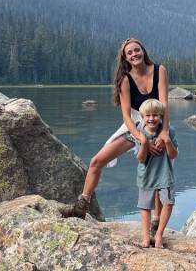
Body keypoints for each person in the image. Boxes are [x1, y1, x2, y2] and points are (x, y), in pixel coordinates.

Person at [65, 38, 171, 220]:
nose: (134, 54)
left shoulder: (159, 70)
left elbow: (164, 106)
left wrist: (164, 133)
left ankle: (155, 223)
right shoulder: (125, 79)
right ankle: (82, 206)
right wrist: (140, 137)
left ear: (143, 51)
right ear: (125, 58)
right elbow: (126, 116)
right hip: (134, 125)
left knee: (157, 172)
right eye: (129, 53)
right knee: (96, 161)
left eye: (137, 50)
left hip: (157, 124)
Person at [134, 99, 178, 248]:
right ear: (142, 117)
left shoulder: (169, 131)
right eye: (148, 115)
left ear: (161, 116)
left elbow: (173, 155)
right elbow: (140, 159)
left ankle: (159, 234)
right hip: (146, 175)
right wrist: (145, 144)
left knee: (169, 202)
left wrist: (167, 141)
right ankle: (146, 238)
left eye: (155, 115)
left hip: (165, 174)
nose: (151, 118)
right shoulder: (139, 132)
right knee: (145, 206)